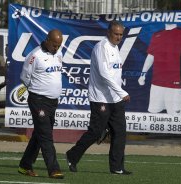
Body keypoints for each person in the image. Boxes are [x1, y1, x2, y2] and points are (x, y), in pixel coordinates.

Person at [66, 20, 132, 175]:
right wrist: (122, 91)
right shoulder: (101, 47)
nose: (118, 37)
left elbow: (115, 74)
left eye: (121, 34)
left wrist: (118, 94)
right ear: (108, 32)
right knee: (96, 132)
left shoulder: (115, 48)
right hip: (100, 98)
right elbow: (104, 75)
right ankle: (72, 155)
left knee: (120, 132)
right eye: (116, 34)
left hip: (115, 99)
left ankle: (116, 167)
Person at [18, 29, 64, 179]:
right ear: (47, 40)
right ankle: (53, 169)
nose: (56, 48)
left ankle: (25, 166)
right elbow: (25, 77)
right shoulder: (35, 55)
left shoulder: (58, 54)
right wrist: (37, 90)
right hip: (39, 100)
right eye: (54, 45)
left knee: (39, 134)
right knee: (46, 136)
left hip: (53, 102)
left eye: (59, 45)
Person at [138, 24, 181, 115]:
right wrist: (142, 75)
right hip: (156, 83)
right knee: (153, 114)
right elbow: (150, 56)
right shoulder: (156, 35)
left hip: (175, 84)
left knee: (175, 117)